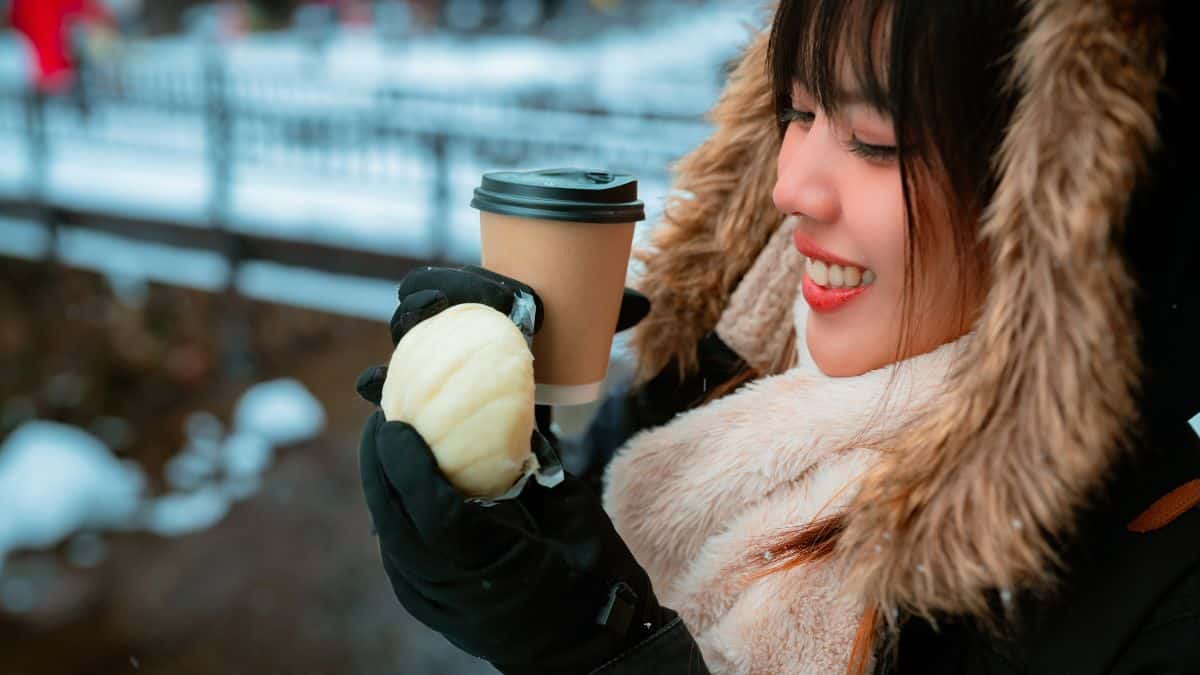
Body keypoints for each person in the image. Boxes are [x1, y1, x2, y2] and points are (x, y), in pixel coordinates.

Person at [353, 0, 1199, 672]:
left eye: (876, 142)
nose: (791, 185)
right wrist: (509, 470)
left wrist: (601, 653)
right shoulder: (734, 356)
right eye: (795, 111)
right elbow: (585, 547)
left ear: (1068, 206)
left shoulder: (1162, 596)